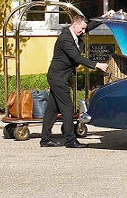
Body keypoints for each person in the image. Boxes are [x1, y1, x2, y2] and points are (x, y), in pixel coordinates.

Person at [40, 11, 96, 148]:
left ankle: (45, 139)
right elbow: (77, 57)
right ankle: (70, 140)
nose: (83, 31)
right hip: (58, 78)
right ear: (74, 24)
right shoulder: (65, 38)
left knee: (52, 109)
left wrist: (105, 18)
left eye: (84, 29)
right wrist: (96, 65)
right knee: (68, 108)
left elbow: (89, 26)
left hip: (59, 77)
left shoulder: (75, 32)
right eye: (81, 29)